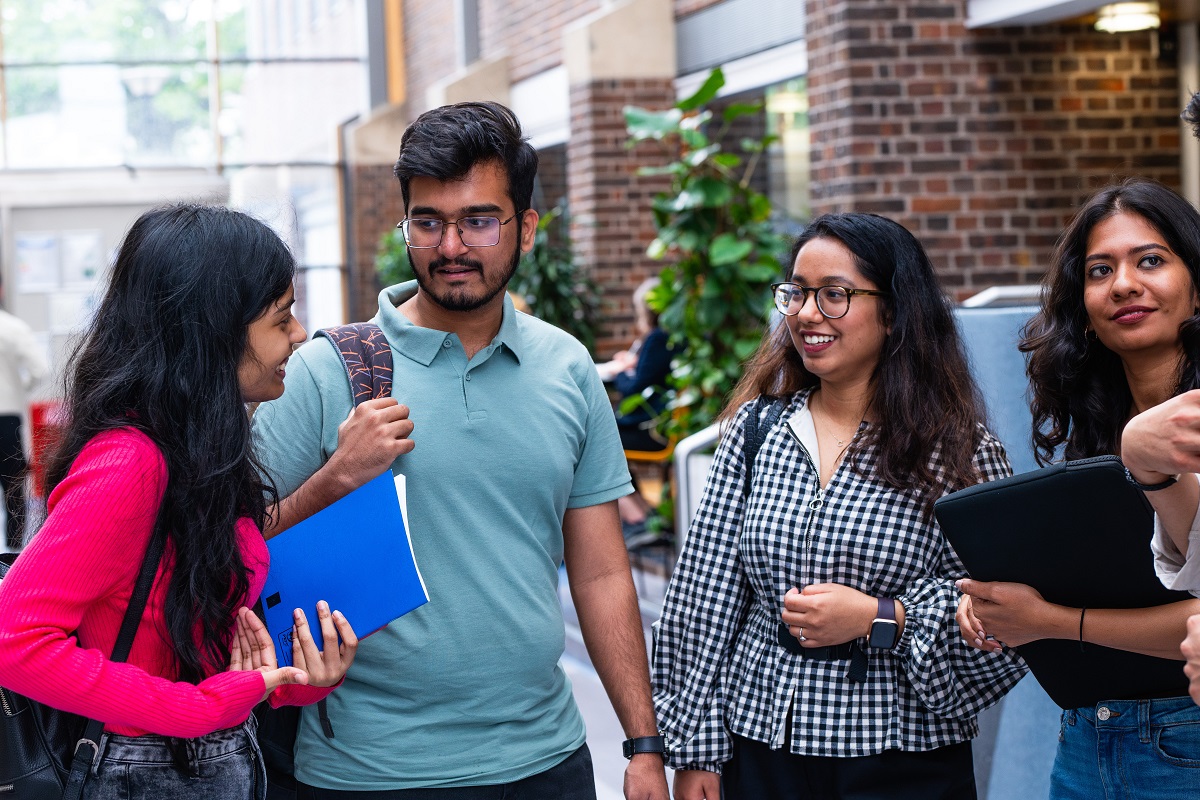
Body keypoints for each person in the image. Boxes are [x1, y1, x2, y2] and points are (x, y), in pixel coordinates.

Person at [251, 101, 669, 800]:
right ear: (405, 226)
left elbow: (599, 574)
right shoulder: (328, 371)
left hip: (545, 759)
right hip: (366, 771)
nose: (451, 246)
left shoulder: (566, 367)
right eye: (428, 221)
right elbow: (230, 549)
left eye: (478, 220)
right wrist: (335, 477)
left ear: (525, 228)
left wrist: (643, 743)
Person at [652, 212, 1026, 800]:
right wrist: (694, 749)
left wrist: (880, 618)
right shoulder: (758, 430)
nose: (805, 313)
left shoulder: (958, 452)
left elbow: (1005, 622)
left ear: (896, 312)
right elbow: (704, 599)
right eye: (797, 293)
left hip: (903, 760)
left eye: (835, 295)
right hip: (761, 752)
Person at [0, 204, 363, 799]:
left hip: (217, 762)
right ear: (214, 332)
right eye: (282, 318)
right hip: (140, 772)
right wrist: (198, 709)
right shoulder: (129, 465)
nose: (299, 334)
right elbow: (13, 639)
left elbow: (200, 643)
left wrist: (290, 680)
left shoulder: (200, 452)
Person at [957, 178, 1200, 796]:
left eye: (1150, 260)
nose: (1123, 284)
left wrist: (1053, 620)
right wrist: (995, 606)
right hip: (1088, 738)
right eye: (1100, 270)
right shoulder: (1095, 423)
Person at [597, 276, 677, 539]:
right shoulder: (669, 337)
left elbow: (633, 388)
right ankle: (640, 511)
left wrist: (622, 371)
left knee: (594, 439)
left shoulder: (657, 339)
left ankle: (636, 516)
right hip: (657, 423)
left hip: (652, 429)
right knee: (599, 435)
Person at [0, 283, 47, 549]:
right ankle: (14, 553)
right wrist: (21, 389)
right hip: (6, 418)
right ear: (2, 290)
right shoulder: (12, 328)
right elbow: (40, 369)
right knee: (13, 489)